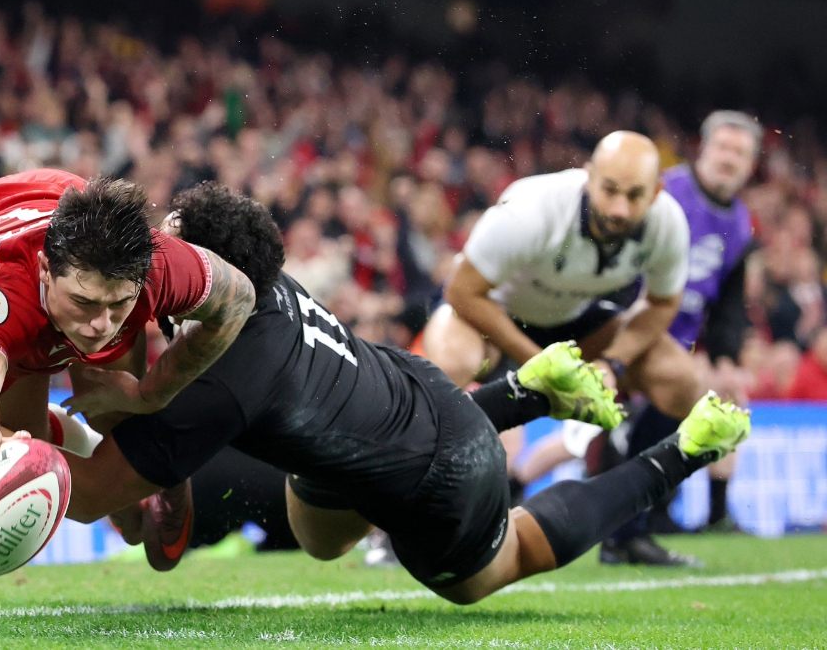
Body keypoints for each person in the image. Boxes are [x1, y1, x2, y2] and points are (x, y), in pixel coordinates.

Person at [50, 183, 748, 603]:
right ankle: (524, 387)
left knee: (498, 565)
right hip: (407, 396)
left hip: (444, 473)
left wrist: (7, 433)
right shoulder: (259, 285)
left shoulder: (223, 390)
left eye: (177, 245)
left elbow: (87, 495)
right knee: (318, 538)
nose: (163, 256)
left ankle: (682, 450)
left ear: (210, 266)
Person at [0, 168, 256, 571]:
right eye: (85, 302)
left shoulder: (155, 264)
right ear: (46, 269)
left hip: (59, 201)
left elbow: (238, 299)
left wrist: (152, 393)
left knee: (117, 418)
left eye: (119, 304)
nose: (102, 325)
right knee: (88, 502)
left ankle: (143, 458)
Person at [415, 131, 711, 563]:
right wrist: (537, 362)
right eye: (609, 190)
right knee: (451, 363)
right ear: (588, 176)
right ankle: (400, 525)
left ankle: (627, 531)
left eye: (634, 196)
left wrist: (614, 362)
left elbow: (663, 303)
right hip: (491, 314)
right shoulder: (534, 208)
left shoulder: (667, 222)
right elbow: (462, 291)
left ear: (657, 192)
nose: (618, 209)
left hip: (576, 324)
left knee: (682, 381)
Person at [513, 112, 762, 561]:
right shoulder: (656, 189)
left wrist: (724, 357)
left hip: (671, 341)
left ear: (752, 163)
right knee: (585, 433)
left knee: (656, 415)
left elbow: (726, 301)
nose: (730, 159)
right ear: (702, 148)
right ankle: (513, 498)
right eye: (723, 147)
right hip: (615, 325)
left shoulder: (741, 223)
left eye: (740, 153)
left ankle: (630, 528)